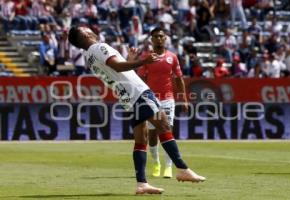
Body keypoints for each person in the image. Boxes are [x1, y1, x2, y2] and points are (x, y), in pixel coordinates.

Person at [68, 26, 206, 195]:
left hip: (126, 97)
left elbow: (114, 70)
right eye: (87, 28)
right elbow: (117, 67)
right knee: (163, 125)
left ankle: (142, 183)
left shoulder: (88, 56)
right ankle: (182, 168)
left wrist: (130, 59)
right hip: (138, 92)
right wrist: (143, 61)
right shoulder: (99, 47)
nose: (91, 29)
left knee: (142, 138)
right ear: (85, 34)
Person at [138, 27, 189, 179]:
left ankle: (168, 167)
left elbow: (179, 79)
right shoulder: (147, 58)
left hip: (168, 99)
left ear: (165, 38)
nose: (159, 39)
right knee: (152, 135)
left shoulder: (172, 57)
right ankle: (156, 163)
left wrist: (184, 99)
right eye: (156, 37)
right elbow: (141, 80)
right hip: (151, 99)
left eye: (161, 36)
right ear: (151, 40)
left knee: (167, 131)